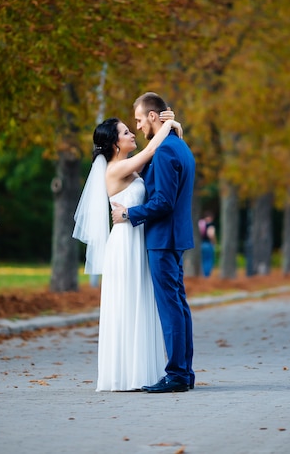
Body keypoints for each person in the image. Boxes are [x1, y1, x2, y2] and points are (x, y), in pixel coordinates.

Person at [72, 114, 182, 392]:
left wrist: (174, 130)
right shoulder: (114, 170)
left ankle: (142, 373)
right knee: (127, 304)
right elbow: (151, 150)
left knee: (141, 303)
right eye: (125, 132)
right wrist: (168, 123)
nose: (133, 134)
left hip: (138, 241)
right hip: (123, 246)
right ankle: (124, 375)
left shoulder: (130, 169)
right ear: (114, 144)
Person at [112, 92, 196, 393]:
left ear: (152, 116)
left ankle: (176, 374)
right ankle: (184, 373)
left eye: (138, 120)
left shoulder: (164, 152)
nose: (136, 127)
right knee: (179, 305)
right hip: (175, 237)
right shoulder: (179, 146)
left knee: (171, 306)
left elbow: (162, 202)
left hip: (162, 239)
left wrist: (128, 214)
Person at [199, 213, 217, 277]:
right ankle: (206, 275)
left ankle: (203, 274)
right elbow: (211, 234)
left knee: (203, 260)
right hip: (208, 244)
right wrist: (214, 242)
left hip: (201, 244)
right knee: (208, 260)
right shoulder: (210, 224)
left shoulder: (201, 224)